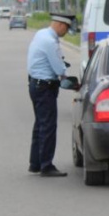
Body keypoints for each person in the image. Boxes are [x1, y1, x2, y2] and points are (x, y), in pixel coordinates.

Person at [26, 12, 75, 177]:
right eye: (67, 30)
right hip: (45, 87)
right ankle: (46, 165)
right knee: (48, 126)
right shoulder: (50, 42)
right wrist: (70, 82)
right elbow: (59, 69)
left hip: (35, 84)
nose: (66, 33)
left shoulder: (41, 33)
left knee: (40, 125)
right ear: (61, 25)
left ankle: (36, 163)